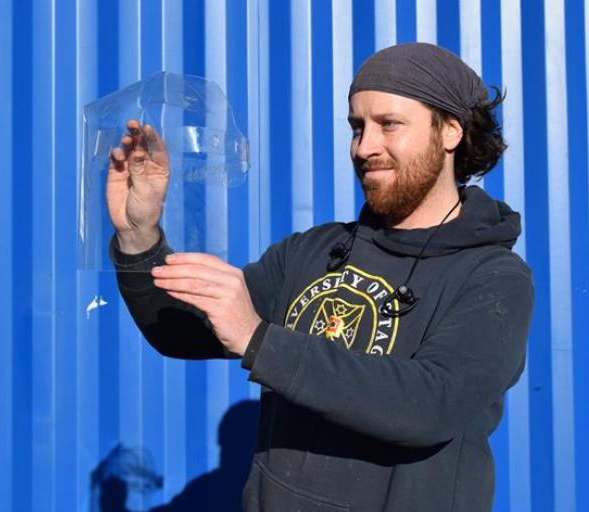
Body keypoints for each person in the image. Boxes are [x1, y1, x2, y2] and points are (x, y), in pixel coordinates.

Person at [106, 42, 534, 512]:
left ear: (450, 131)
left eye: (388, 124)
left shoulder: (494, 278)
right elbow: (180, 331)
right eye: (357, 126)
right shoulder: (313, 251)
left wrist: (258, 339)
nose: (365, 146)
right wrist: (138, 236)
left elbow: (431, 403)